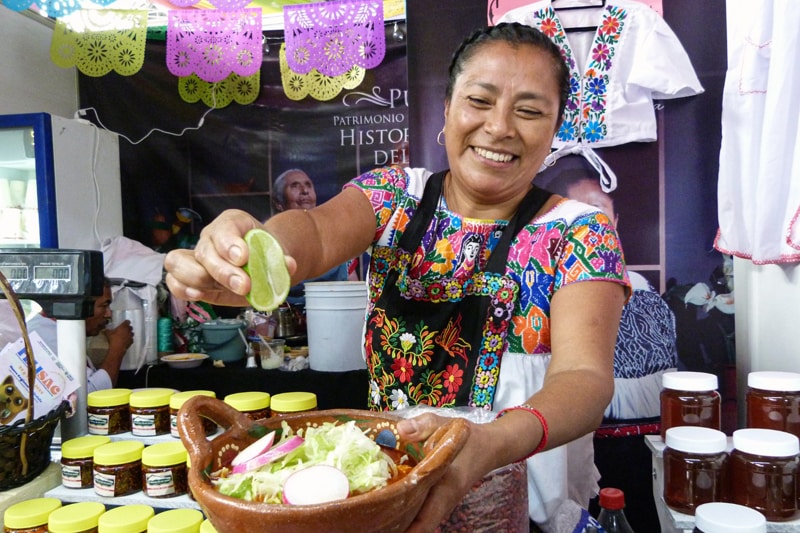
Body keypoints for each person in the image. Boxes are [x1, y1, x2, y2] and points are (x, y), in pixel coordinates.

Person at [165, 22, 629, 532]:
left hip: (527, 505)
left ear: (556, 127)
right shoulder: (394, 198)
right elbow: (314, 235)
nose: (499, 127)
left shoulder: (578, 231)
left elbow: (583, 380)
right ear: (448, 109)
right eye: (480, 100)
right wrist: (254, 251)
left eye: (529, 110)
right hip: (392, 490)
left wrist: (490, 444)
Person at [545, 163, 678, 531]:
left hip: (645, 459)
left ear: (615, 223)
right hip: (570, 459)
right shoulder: (538, 305)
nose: (592, 227)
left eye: (599, 212)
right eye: (579, 213)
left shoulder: (650, 303)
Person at [26, 281, 134, 392]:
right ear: (80, 305)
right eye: (104, 306)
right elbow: (87, 395)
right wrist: (117, 347)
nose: (108, 314)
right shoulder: (45, 336)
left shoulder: (59, 330)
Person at [272, 168, 350, 305]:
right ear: (278, 203)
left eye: (308, 185)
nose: (305, 190)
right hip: (285, 318)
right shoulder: (270, 238)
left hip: (333, 313)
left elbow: (351, 286)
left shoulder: (335, 232)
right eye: (295, 186)